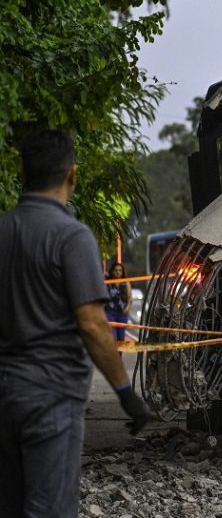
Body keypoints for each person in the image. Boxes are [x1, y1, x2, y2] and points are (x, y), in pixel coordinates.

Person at [0, 129, 152, 518]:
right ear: (72, 175)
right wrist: (126, 394)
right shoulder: (71, 237)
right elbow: (92, 324)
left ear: (24, 173)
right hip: (51, 397)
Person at [105, 262, 132, 343]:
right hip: (110, 312)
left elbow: (129, 298)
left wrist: (127, 308)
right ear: (112, 271)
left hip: (122, 313)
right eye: (116, 270)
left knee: (121, 338)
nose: (117, 272)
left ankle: (119, 355)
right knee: (113, 337)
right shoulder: (107, 283)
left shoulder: (126, 283)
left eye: (120, 270)